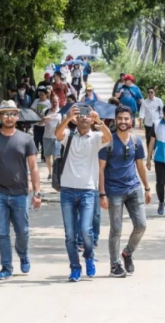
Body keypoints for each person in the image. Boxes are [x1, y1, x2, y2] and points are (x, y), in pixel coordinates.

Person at [0, 100, 42, 280]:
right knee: (2, 233)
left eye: (12, 114)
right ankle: (6, 266)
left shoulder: (26, 139)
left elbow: (33, 167)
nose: (9, 117)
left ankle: (23, 253)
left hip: (20, 193)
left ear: (17, 116)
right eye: (5, 113)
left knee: (23, 232)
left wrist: (37, 192)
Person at [55, 105, 112, 282]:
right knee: (70, 234)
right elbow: (57, 134)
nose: (84, 118)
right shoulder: (69, 136)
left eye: (88, 115)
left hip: (88, 190)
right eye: (81, 115)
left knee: (86, 230)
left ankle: (89, 256)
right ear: (76, 119)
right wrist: (66, 118)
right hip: (67, 190)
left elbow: (109, 138)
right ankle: (75, 267)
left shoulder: (95, 137)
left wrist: (99, 121)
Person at [99, 105, 151, 277]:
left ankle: (127, 252)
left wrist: (147, 188)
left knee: (141, 225)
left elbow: (141, 167)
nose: (123, 121)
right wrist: (102, 193)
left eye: (126, 118)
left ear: (131, 120)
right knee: (116, 229)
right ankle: (115, 265)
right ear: (115, 120)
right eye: (120, 118)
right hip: (114, 191)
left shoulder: (136, 141)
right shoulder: (108, 142)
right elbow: (101, 169)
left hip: (134, 188)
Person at [42, 94, 62, 180]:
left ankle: (54, 174)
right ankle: (49, 172)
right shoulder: (46, 111)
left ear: (59, 102)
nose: (54, 103)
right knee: (47, 156)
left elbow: (65, 124)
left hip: (57, 137)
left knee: (55, 156)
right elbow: (39, 123)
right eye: (53, 102)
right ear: (50, 102)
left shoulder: (61, 112)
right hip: (46, 136)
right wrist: (45, 119)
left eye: (56, 102)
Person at [31, 87, 51, 162]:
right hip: (37, 124)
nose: (41, 96)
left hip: (45, 125)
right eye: (39, 95)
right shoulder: (36, 101)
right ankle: (34, 155)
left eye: (42, 95)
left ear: (46, 95)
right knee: (36, 140)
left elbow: (51, 112)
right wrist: (37, 115)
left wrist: (44, 118)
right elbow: (32, 109)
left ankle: (43, 156)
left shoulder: (49, 103)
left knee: (43, 141)